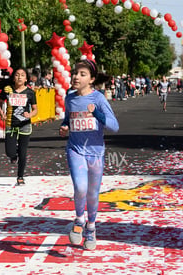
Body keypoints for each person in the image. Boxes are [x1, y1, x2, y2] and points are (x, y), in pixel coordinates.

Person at [59, 59, 119, 250]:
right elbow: (67, 118)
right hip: (75, 149)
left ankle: (91, 228)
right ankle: (79, 220)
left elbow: (114, 126)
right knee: (80, 187)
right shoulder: (70, 98)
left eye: (82, 74)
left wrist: (97, 115)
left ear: (92, 79)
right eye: (75, 73)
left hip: (95, 153)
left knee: (92, 193)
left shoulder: (98, 99)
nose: (76, 76)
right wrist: (64, 126)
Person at [0, 67, 38, 185]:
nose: (19, 77)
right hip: (11, 124)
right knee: (9, 152)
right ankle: (13, 156)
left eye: (22, 75)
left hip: (24, 125)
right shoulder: (8, 90)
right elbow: (0, 103)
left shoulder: (30, 93)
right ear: (13, 78)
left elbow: (35, 109)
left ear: (26, 79)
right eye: (17, 75)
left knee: (23, 152)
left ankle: (20, 176)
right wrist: (2, 113)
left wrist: (29, 114)